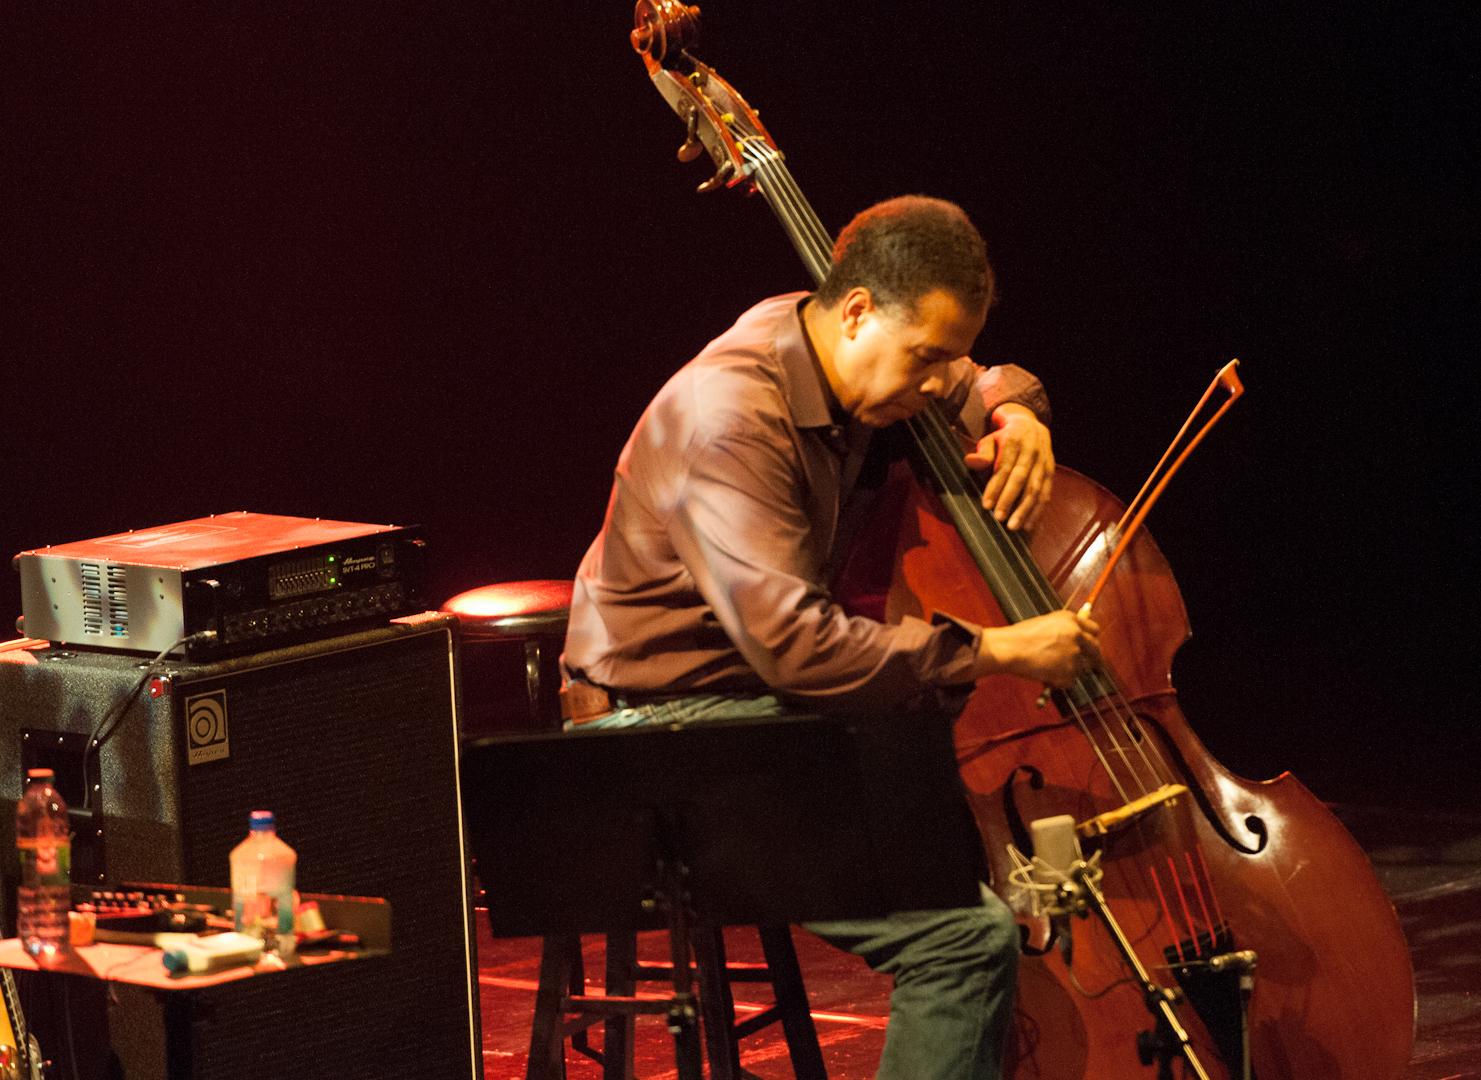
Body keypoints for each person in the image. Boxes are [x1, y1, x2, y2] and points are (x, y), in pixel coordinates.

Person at [560, 195, 1101, 1079]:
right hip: (659, 736)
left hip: (754, 711)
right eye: (923, 359)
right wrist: (1000, 650)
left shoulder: (826, 344)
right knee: (964, 939)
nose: (935, 388)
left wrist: (1017, 415)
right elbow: (798, 647)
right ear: (855, 312)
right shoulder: (732, 417)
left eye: (944, 362)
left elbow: (985, 378)